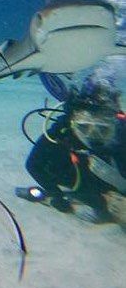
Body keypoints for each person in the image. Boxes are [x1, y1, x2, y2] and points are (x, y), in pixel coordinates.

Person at [17, 75, 126, 224]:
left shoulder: (121, 130)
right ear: (73, 120)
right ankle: (94, 201)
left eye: (103, 129)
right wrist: (56, 194)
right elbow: (34, 164)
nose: (93, 137)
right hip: (80, 178)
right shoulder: (63, 131)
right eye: (84, 127)